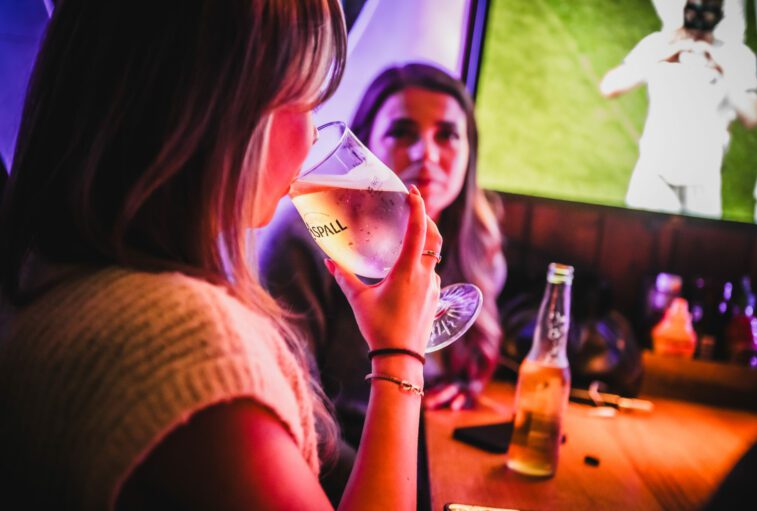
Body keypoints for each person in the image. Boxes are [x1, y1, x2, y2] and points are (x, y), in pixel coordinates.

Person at [0, 1, 444, 510]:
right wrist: (399, 355)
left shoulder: (47, 277)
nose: (307, 143)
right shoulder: (180, 347)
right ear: (202, 105)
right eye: (299, 102)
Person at [257, 62, 506, 474]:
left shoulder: (477, 239)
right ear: (365, 146)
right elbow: (300, 418)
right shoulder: (307, 240)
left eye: (447, 135)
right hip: (353, 470)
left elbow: (459, 344)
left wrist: (464, 383)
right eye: (401, 132)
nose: (426, 153)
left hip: (434, 450)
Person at [601, 0, 757, 218]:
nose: (699, 19)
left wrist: (724, 69)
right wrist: (660, 58)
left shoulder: (737, 56)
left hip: (703, 182)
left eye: (707, 10)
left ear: (721, 13)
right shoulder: (659, 44)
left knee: (696, 251)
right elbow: (609, 86)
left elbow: (752, 117)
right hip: (654, 175)